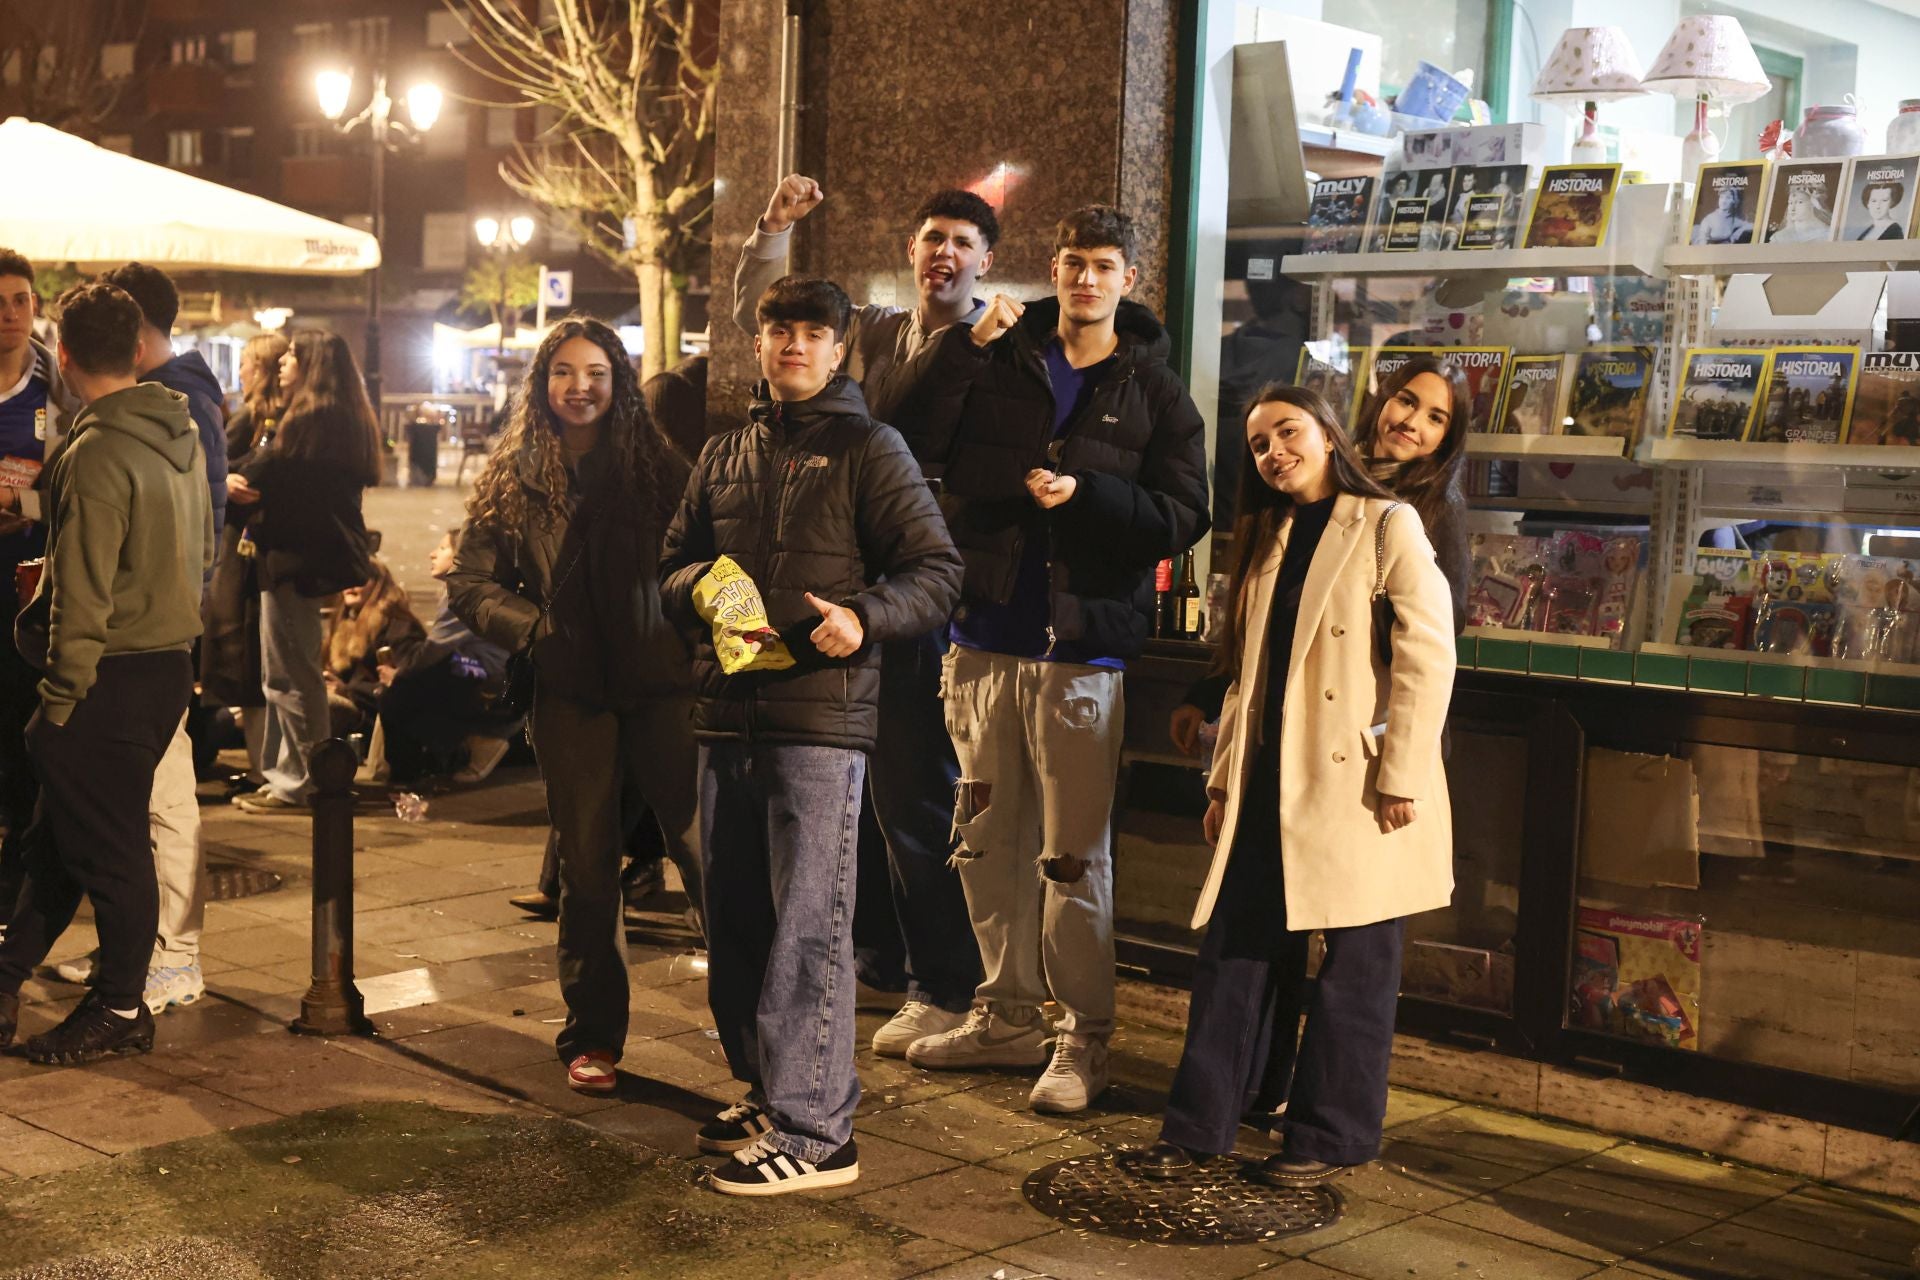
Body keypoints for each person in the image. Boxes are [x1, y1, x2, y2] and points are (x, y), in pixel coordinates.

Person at [885, 206, 1210, 1114]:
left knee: (1072, 856)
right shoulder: (1001, 357)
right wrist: (959, 350)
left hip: (1084, 654)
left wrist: (1088, 495)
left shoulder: (1152, 389)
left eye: (1104, 265)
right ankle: (1006, 1012)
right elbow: (905, 440)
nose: (1086, 280)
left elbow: (1186, 513)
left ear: (1128, 280)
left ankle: (1083, 1035)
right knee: (984, 840)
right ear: (1052, 270)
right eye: (1072, 263)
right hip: (985, 635)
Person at [660, 276, 961, 1195]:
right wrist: (700, 589)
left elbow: (937, 570)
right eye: (778, 330)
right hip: (727, 715)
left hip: (821, 724)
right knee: (739, 921)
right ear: (759, 344)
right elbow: (671, 564)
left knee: (809, 929)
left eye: (812, 334)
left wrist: (866, 617)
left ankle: (820, 1132)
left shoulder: (873, 447)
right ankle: (766, 1089)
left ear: (839, 352)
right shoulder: (723, 454)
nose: (793, 346)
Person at [1134, 384, 1454, 1186]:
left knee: (1355, 968)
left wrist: (1403, 773)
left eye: (1288, 432)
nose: (1274, 451)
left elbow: (1427, 654)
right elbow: (1250, 673)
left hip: (1359, 781)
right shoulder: (1267, 535)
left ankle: (1331, 1136)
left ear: (1327, 433)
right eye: (1258, 444)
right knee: (1233, 953)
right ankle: (1199, 1126)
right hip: (1269, 776)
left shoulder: (1387, 522)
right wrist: (1220, 782)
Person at [732, 175, 997, 1055]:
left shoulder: (996, 347)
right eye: (932, 239)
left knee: (916, 802)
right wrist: (773, 230)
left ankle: (945, 982)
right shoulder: (874, 328)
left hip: (912, 606)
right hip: (831, 596)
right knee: (859, 801)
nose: (943, 255)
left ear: (985, 263)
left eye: (962, 243)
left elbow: (921, 444)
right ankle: (881, 957)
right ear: (911, 251)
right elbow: (762, 314)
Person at [448, 316, 705, 1094]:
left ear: (619, 380)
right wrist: (535, 631)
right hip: (572, 695)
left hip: (665, 689)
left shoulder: (661, 465)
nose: (579, 387)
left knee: (706, 857)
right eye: (563, 372)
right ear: (542, 383)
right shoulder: (518, 473)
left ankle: (756, 1027)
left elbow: (708, 558)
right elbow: (470, 583)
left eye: (595, 372)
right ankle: (591, 1035)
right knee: (587, 870)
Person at [0, 282, 211, 1064]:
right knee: (59, 836)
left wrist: (56, 702)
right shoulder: (176, 433)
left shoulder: (95, 451)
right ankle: (8, 975)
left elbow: (82, 596)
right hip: (163, 664)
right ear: (134, 350)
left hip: (106, 675)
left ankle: (121, 1007)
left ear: (64, 352)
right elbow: (199, 551)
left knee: (112, 850)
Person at [226, 330, 381, 814]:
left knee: (290, 676)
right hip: (297, 560)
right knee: (288, 672)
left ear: (312, 365)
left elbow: (256, 474)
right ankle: (287, 776)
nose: (284, 362)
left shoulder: (311, 420)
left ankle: (302, 782)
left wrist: (233, 479)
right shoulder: (335, 417)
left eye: (293, 355)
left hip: (293, 561)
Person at [0, 249, 78, 925]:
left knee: (21, 728)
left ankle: (16, 869)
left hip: (27, 592)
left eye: (20, 301)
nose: (9, 315)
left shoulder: (54, 390)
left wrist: (18, 508)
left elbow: (65, 486)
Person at [202, 332, 287, 787]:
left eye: (247, 363)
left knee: (248, 656)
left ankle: (264, 766)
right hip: (249, 550)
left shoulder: (261, 419)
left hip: (244, 553)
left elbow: (212, 466)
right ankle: (264, 764)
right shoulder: (263, 419)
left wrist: (227, 479)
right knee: (253, 659)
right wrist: (227, 480)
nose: (240, 372)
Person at [379, 528, 517, 785]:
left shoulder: (463, 595)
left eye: (443, 548)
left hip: (483, 672)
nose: (433, 554)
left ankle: (406, 776)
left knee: (401, 691)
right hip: (482, 667)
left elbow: (433, 651)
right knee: (416, 686)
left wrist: (401, 674)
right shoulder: (469, 590)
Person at [323, 557, 425, 740]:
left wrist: (347, 691)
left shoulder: (399, 625)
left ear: (377, 585)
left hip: (378, 721)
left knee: (326, 707)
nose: (350, 585)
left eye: (359, 578)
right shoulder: (343, 624)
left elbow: (410, 689)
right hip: (358, 713)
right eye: (346, 578)